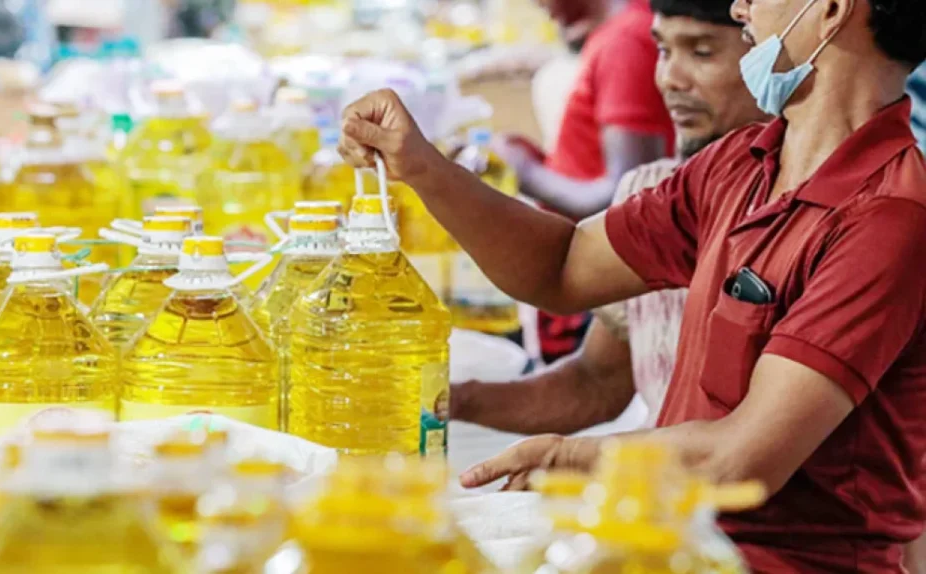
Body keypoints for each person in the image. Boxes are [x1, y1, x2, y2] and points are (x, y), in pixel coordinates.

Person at [336, 0, 926, 569]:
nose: (741, 8)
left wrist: (575, 457)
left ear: (832, 9)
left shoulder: (889, 217)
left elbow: (741, 461)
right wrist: (420, 166)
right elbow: (563, 266)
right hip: (670, 539)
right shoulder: (738, 165)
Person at [450, 0, 766, 434]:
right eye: (663, 51)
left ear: (771, 52)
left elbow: (743, 451)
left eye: (702, 52)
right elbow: (595, 383)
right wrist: (448, 401)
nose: (669, 79)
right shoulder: (654, 193)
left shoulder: (806, 211)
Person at [503, 0, 677, 365]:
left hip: (595, 285)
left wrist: (525, 173)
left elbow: (628, 196)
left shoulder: (625, 40)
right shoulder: (614, 34)